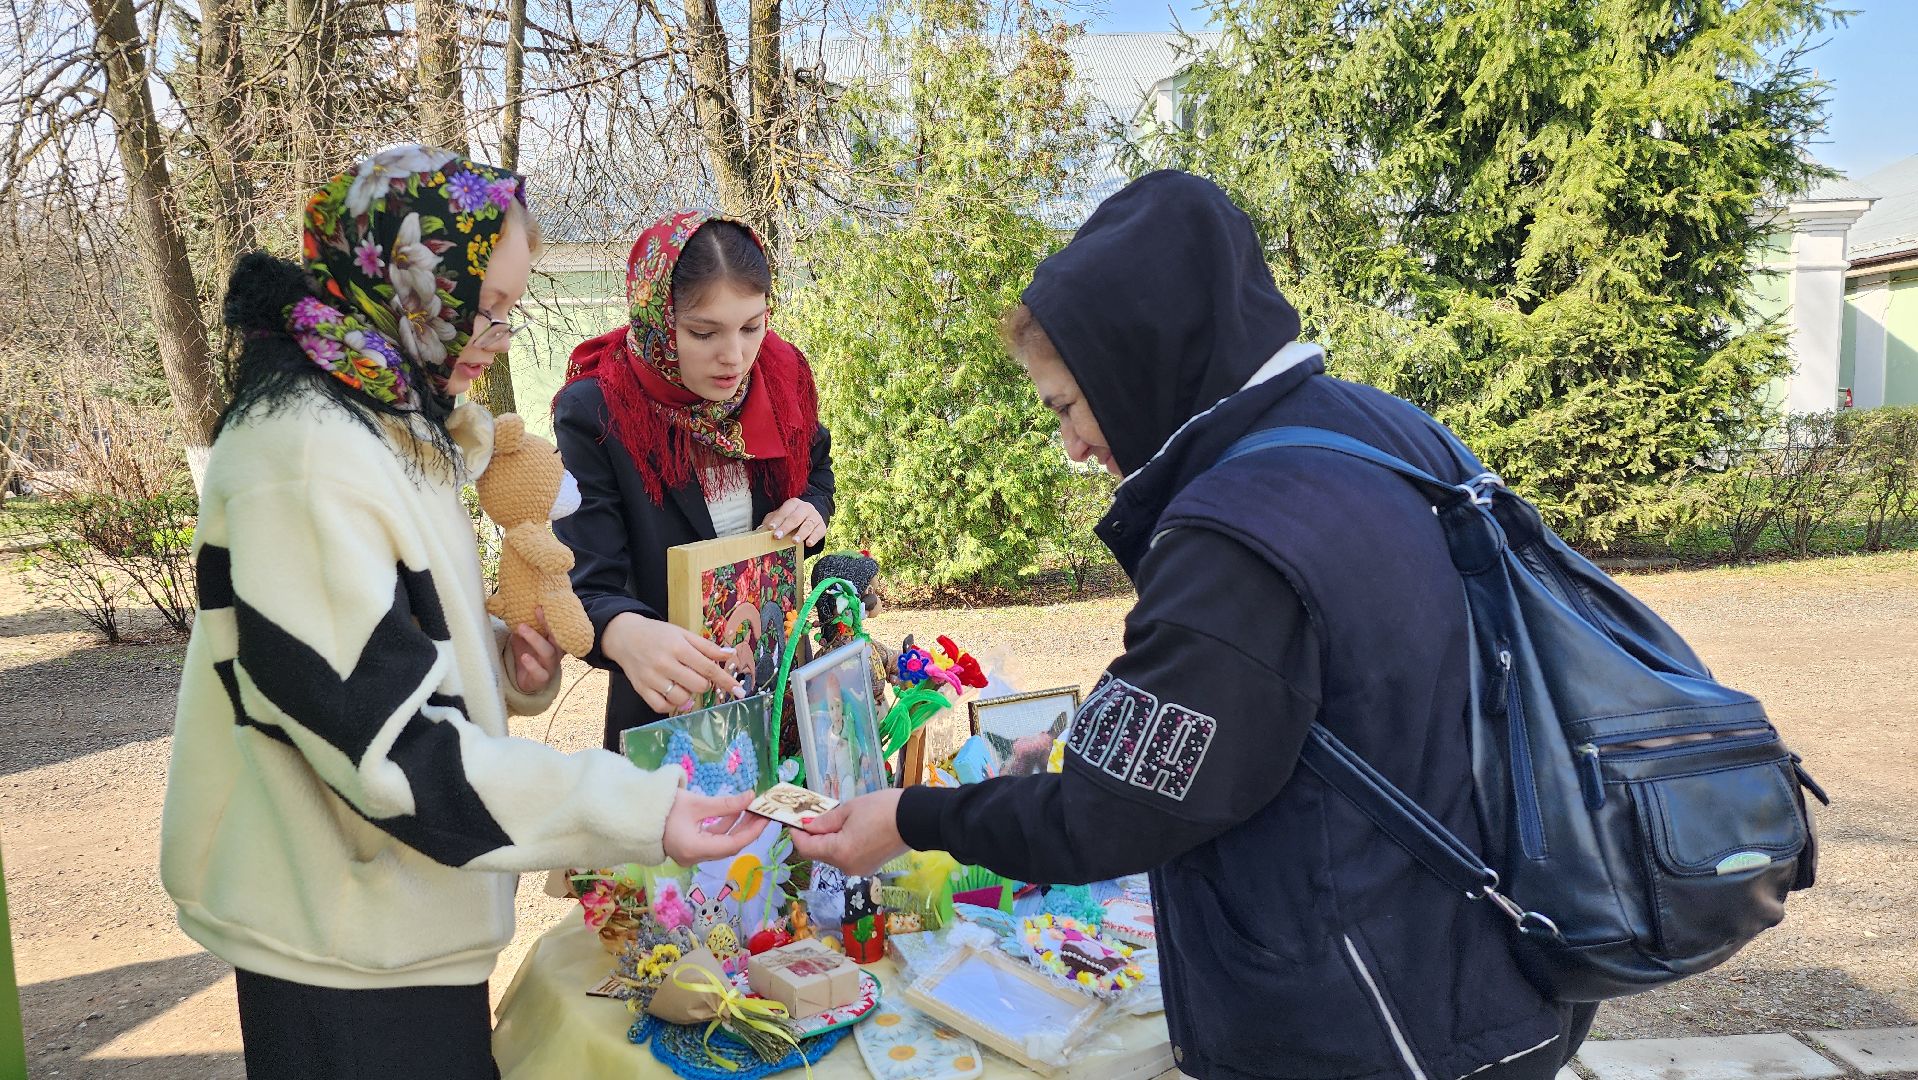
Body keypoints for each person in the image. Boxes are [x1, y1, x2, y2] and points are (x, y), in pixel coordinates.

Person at [792, 171, 1599, 1080]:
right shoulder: (1383, 429)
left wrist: (910, 814)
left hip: (1381, 1019)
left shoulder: (1235, 531)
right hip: (1502, 961)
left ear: (1134, 364)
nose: (1073, 446)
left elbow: (1110, 813)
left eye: (1065, 406)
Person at [161, 145, 769, 1080]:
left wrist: (496, 659)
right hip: (338, 940)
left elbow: (378, 643)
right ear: (408, 284)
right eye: (485, 310)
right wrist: (644, 810)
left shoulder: (388, 415)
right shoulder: (307, 456)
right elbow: (393, 759)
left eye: (512, 310)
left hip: (395, 913)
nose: (496, 335)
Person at [554, 211, 835, 750]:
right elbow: (586, 584)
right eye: (704, 332)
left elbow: (817, 468)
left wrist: (811, 508)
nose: (735, 357)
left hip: (778, 699)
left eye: (753, 326)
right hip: (669, 718)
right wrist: (625, 633)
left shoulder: (781, 375)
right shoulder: (597, 412)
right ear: (659, 319)